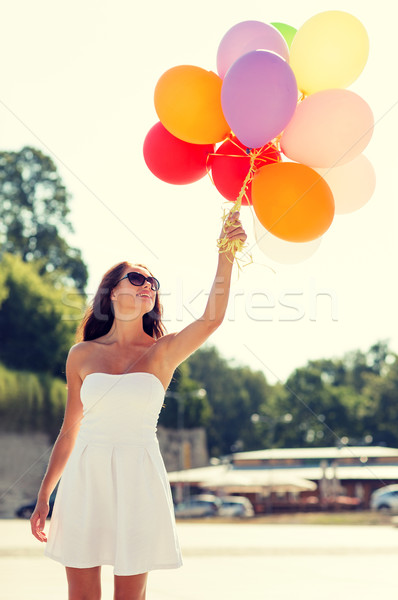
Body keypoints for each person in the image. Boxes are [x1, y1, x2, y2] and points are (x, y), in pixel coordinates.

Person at [30, 211, 247, 600]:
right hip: (84, 476)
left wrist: (226, 253)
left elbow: (211, 318)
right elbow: (69, 430)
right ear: (112, 292)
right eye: (137, 278)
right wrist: (46, 493)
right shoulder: (81, 355)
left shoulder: (163, 352)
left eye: (153, 282)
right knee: (81, 595)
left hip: (139, 477)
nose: (148, 285)